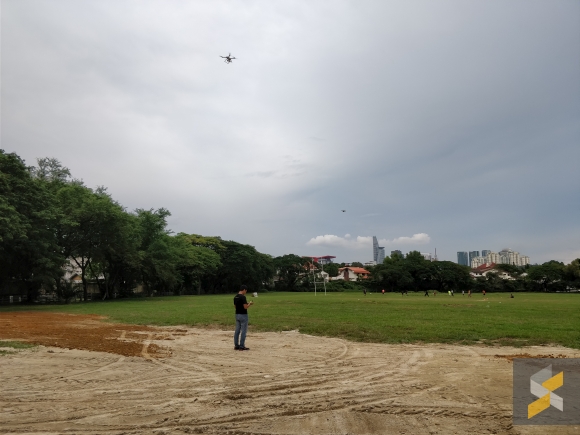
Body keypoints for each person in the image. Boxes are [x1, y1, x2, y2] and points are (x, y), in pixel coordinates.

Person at [234, 285, 253, 351]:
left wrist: (245, 304)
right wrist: (249, 304)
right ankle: (242, 346)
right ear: (244, 290)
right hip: (243, 315)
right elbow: (245, 307)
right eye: (246, 291)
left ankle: (236, 345)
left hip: (237, 314)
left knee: (237, 331)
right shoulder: (243, 297)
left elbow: (235, 306)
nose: (246, 292)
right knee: (243, 331)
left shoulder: (235, 297)